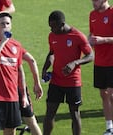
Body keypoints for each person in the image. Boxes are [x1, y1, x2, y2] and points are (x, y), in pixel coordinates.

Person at [42, 10, 93, 135]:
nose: (51, 29)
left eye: (53, 26)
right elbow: (51, 53)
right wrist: (45, 68)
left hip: (73, 81)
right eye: (50, 26)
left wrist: (75, 63)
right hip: (56, 80)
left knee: (74, 113)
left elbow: (90, 55)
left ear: (62, 24)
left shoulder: (77, 36)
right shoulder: (52, 35)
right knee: (49, 113)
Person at [0, 12, 29, 135]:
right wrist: (3, 42)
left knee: (10, 131)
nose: (5, 26)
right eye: (2, 24)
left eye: (8, 24)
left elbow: (20, 71)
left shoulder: (16, 45)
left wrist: (23, 95)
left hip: (12, 97)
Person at [89, 0, 113, 134]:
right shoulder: (92, 15)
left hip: (112, 61)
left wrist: (104, 40)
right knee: (103, 95)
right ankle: (109, 127)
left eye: (96, 0)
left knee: (111, 94)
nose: (93, 3)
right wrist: (88, 41)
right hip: (99, 62)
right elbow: (92, 34)